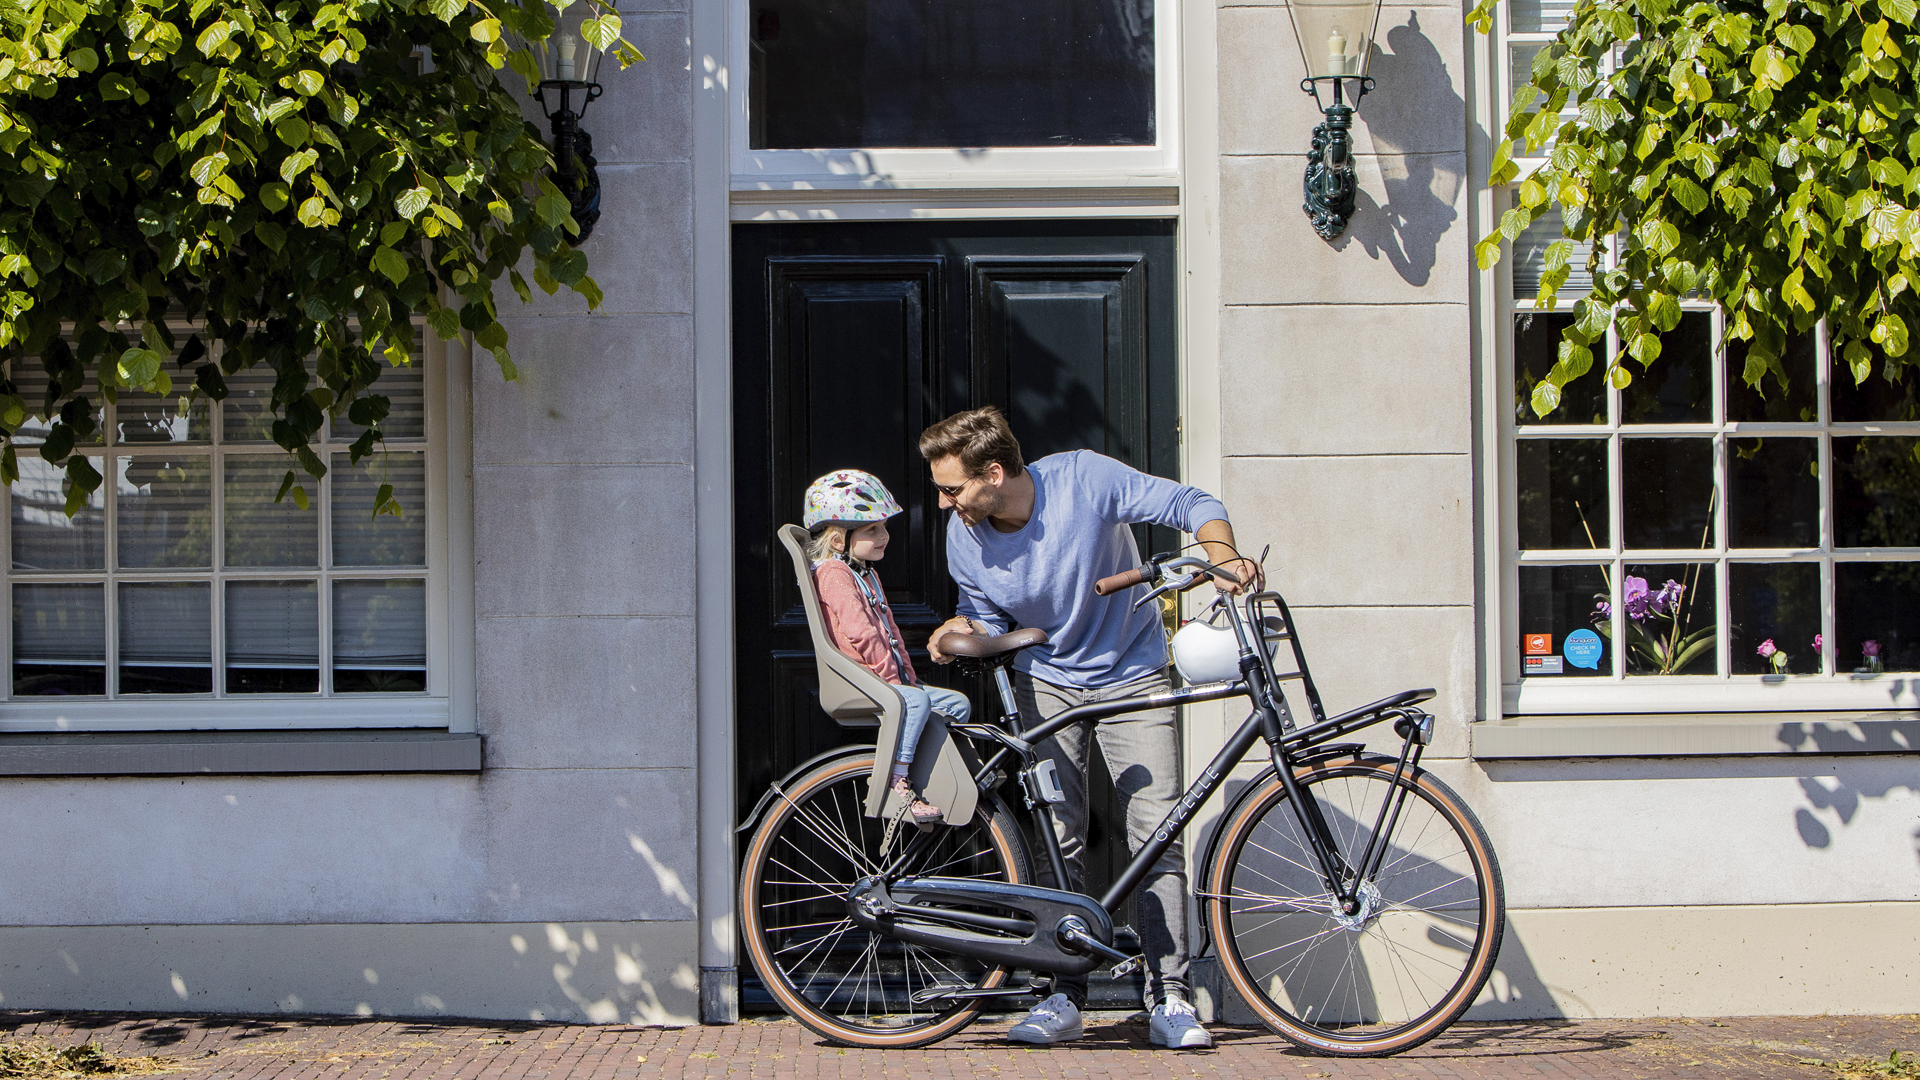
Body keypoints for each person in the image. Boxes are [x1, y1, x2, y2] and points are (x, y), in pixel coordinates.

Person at [920, 407, 1262, 1050]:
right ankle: (1061, 996)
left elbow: (1194, 502)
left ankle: (1170, 996)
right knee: (1058, 836)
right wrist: (958, 631)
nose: (943, 504)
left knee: (1157, 828)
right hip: (1044, 680)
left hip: (1134, 670)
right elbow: (982, 613)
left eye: (952, 488)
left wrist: (1225, 558)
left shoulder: (1084, 479)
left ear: (994, 473)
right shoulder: (966, 535)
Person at [804, 469, 971, 823]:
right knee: (916, 700)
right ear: (838, 540)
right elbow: (862, 632)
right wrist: (894, 682)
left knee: (956, 704)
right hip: (864, 678)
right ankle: (897, 781)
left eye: (884, 527)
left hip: (890, 678)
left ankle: (935, 775)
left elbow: (889, 630)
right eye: (872, 529)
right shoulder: (834, 574)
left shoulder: (864, 572)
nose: (885, 536)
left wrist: (907, 677)